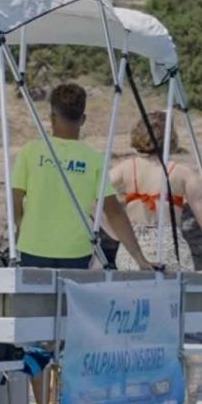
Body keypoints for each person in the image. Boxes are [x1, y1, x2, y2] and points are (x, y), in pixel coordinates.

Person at [11, 83, 152, 270]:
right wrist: (140, 259)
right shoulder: (94, 159)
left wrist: (21, 228)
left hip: (33, 247)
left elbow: (15, 200)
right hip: (75, 251)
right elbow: (114, 212)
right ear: (83, 119)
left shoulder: (30, 152)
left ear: (52, 117)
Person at [108, 114, 202, 271]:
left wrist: (112, 231)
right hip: (169, 245)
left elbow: (93, 195)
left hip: (133, 246)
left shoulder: (125, 168)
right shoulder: (183, 173)